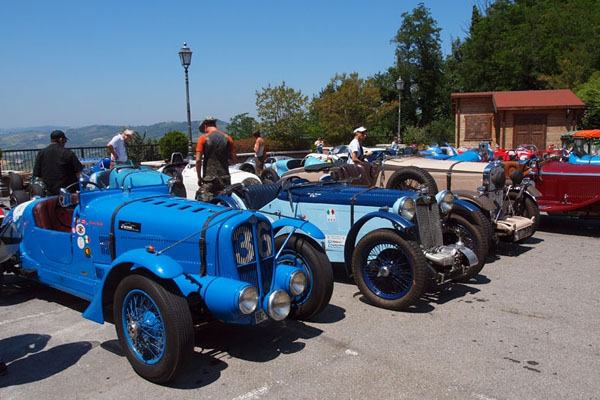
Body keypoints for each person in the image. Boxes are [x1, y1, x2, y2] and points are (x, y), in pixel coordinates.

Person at [196, 116, 236, 201]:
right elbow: (233, 160)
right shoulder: (228, 138)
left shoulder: (203, 138)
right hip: (225, 178)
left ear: (205, 126)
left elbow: (198, 160)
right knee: (227, 201)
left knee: (203, 199)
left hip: (209, 179)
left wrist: (199, 178)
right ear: (215, 125)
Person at [33, 130, 83, 195]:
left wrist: (48, 186)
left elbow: (38, 174)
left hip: (51, 192)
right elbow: (79, 172)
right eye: (65, 141)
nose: (65, 143)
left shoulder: (41, 153)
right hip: (69, 192)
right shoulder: (68, 153)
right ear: (61, 139)